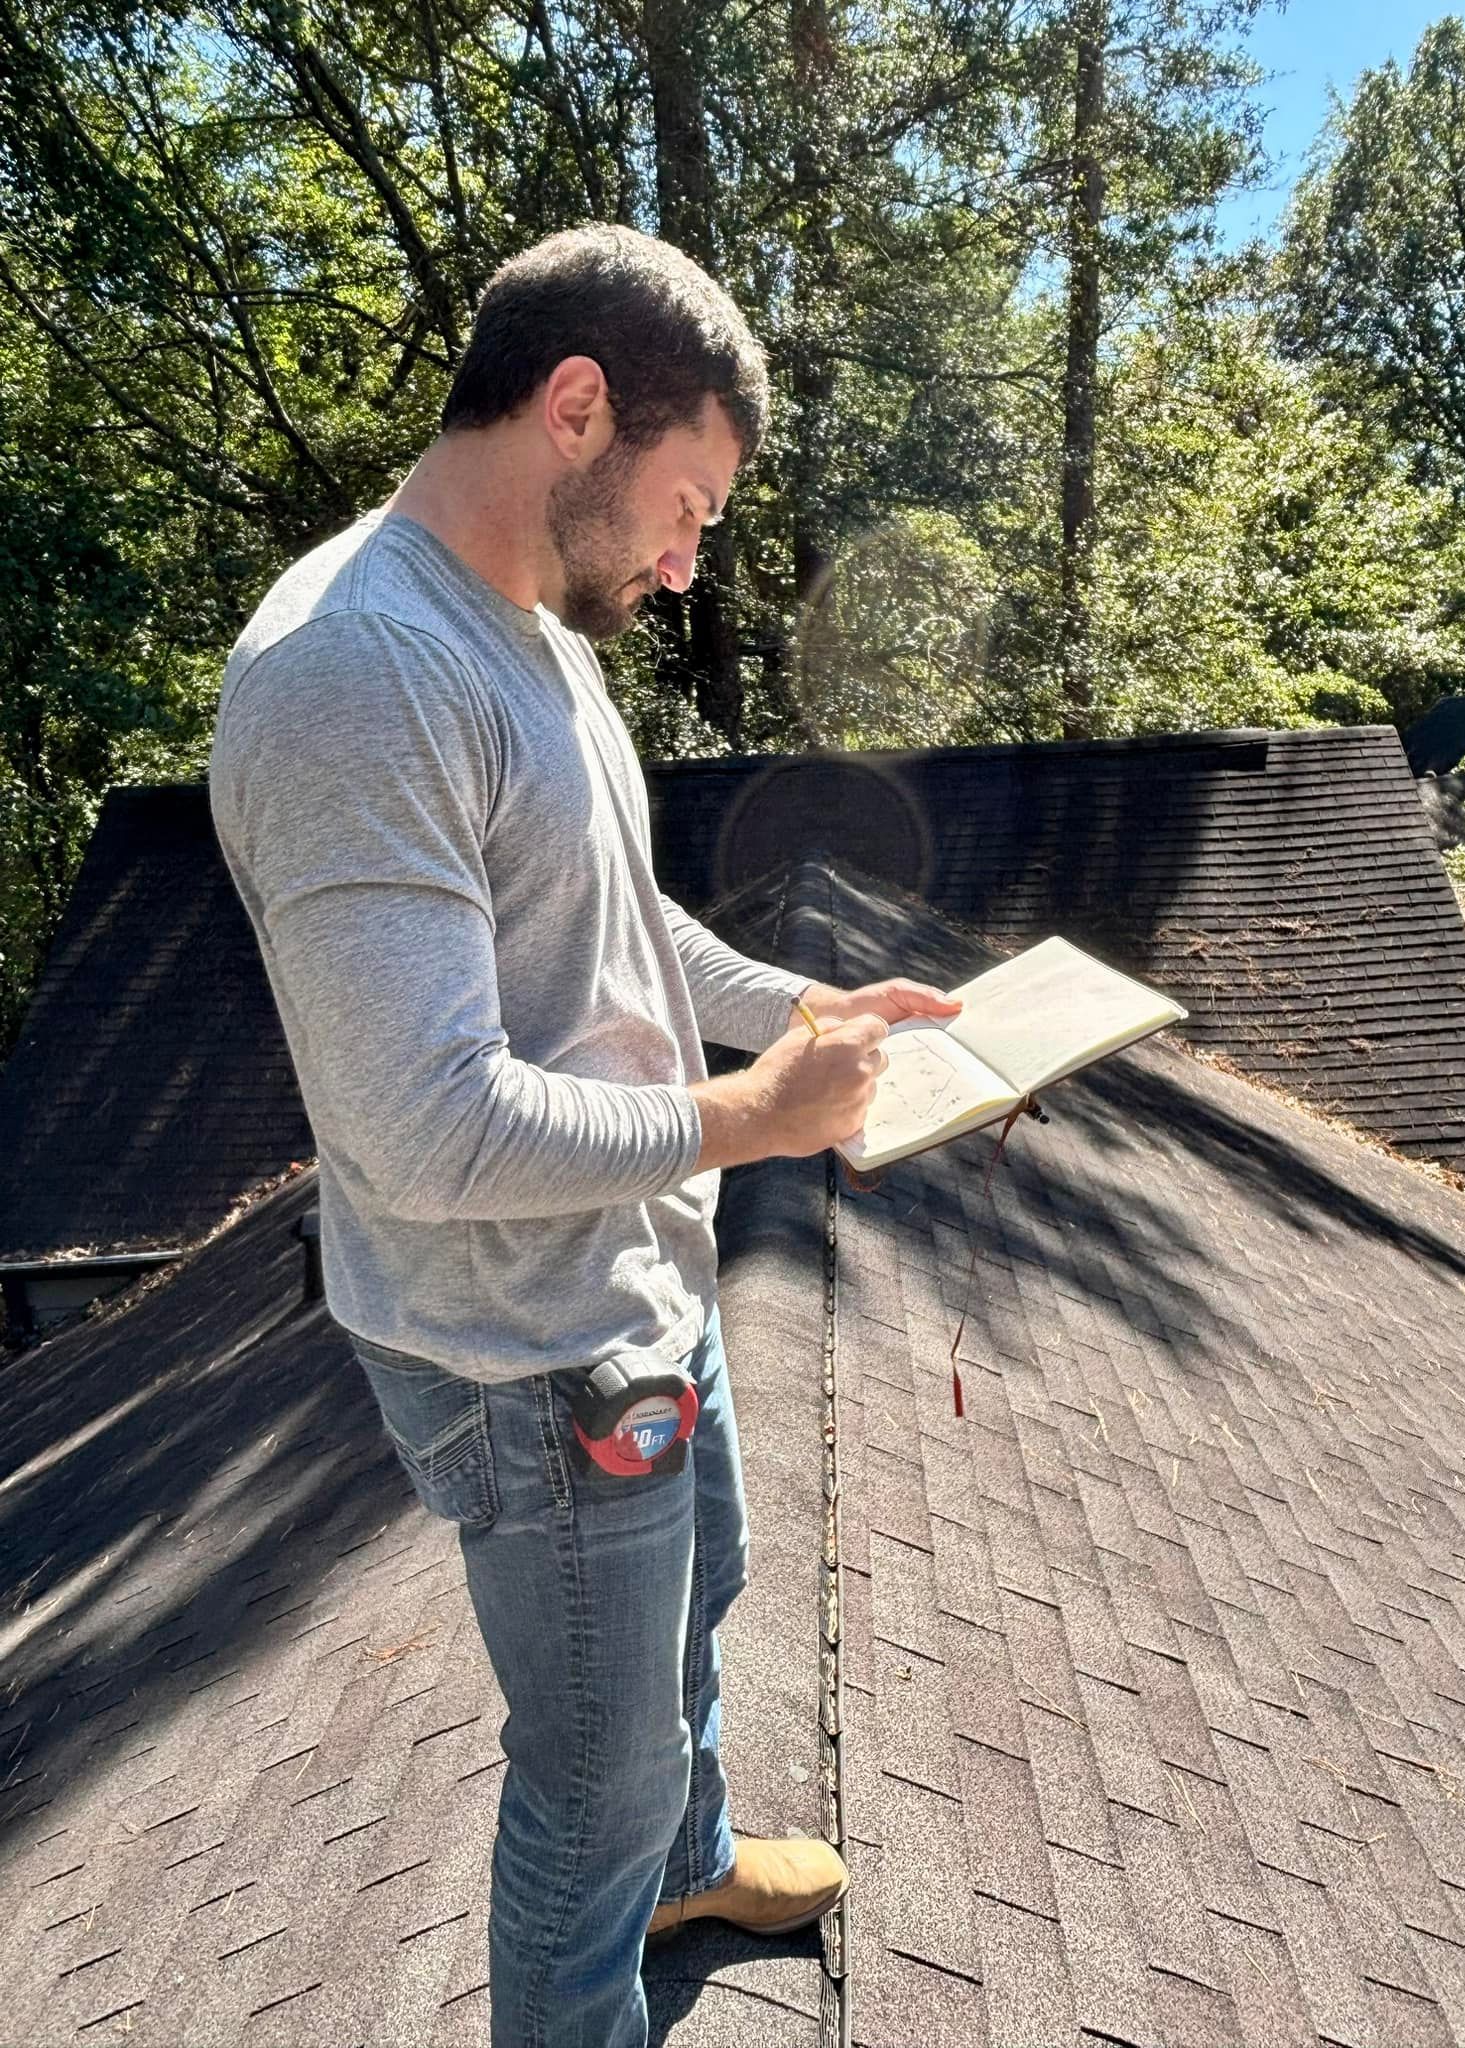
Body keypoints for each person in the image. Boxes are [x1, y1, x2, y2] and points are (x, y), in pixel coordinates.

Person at [208, 222, 963, 2047]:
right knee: (586, 1782)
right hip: (523, 1352)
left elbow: (625, 928)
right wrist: (747, 1114)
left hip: (638, 1270)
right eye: (690, 504)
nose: (693, 561)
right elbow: (418, 1130)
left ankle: (690, 1863)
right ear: (576, 410)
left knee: (710, 1594)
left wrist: (803, 1011)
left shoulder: (536, 632)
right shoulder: (352, 675)